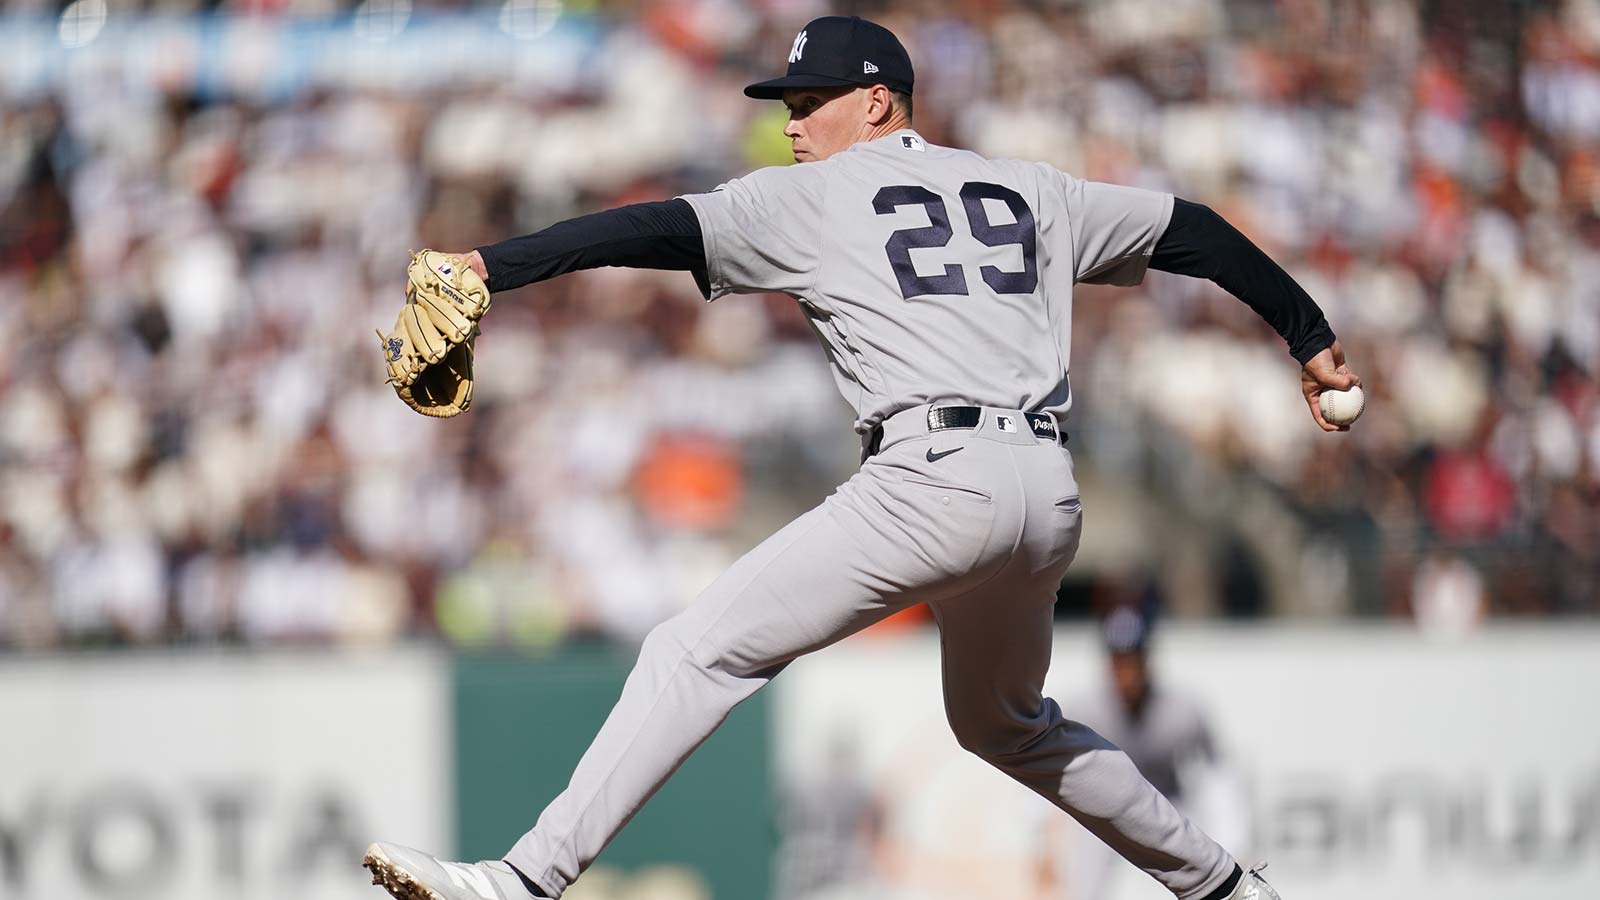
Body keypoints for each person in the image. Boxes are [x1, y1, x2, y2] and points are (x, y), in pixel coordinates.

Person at [364, 15, 1356, 900]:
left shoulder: (819, 197)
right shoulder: (1030, 186)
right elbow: (1192, 230)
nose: (791, 124)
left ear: (876, 100)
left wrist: (490, 265)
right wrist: (1308, 336)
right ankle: (1223, 886)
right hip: (1046, 491)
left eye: (809, 102)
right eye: (786, 104)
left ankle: (524, 880)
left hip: (931, 480)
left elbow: (654, 229)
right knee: (1004, 724)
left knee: (691, 648)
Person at [1058, 605, 1249, 899]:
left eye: (1134, 661)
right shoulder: (1086, 709)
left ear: (1148, 661)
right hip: (1104, 812)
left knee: (1208, 871)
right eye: (1120, 662)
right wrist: (1038, 840)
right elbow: (1050, 775)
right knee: (1081, 885)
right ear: (1108, 664)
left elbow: (1220, 775)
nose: (1128, 673)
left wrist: (1234, 839)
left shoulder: (1181, 710)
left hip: (1166, 803)